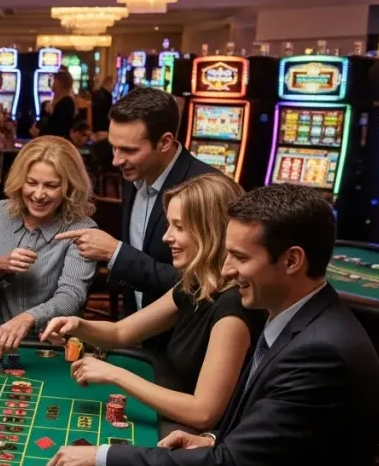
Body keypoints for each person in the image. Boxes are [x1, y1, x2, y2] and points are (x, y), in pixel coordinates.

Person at [45, 184, 379, 466]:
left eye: (240, 257)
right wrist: (213, 439)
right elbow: (280, 438)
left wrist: (101, 459)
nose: (225, 269)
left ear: (292, 260)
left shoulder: (323, 352)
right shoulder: (294, 321)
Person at [40, 174, 264, 430]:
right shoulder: (194, 284)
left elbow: (204, 412)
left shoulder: (233, 306)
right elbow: (121, 332)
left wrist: (115, 375)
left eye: (179, 227)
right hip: (174, 420)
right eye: (169, 225)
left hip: (202, 443)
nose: (166, 237)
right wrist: (76, 325)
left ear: (210, 230)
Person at [59, 87, 220, 319]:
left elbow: (205, 283)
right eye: (114, 146)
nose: (116, 160)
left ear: (164, 142)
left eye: (129, 150)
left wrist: (116, 253)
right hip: (135, 326)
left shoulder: (206, 190)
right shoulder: (135, 172)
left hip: (181, 338)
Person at [0, 136, 97, 356]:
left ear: (69, 186)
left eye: (51, 185)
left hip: (56, 348)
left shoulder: (82, 228)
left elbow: (71, 296)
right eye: (31, 183)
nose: (38, 195)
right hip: (2, 343)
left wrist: (29, 318)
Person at [32, 69, 76, 139]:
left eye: (54, 80)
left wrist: (40, 132)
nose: (51, 83)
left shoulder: (67, 102)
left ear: (60, 83)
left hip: (58, 142)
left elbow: (60, 128)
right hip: (49, 140)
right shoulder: (54, 102)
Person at [90, 75, 114, 141]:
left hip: (94, 127)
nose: (113, 87)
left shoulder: (96, 93)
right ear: (109, 84)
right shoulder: (107, 96)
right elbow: (108, 115)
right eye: (112, 85)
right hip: (103, 128)